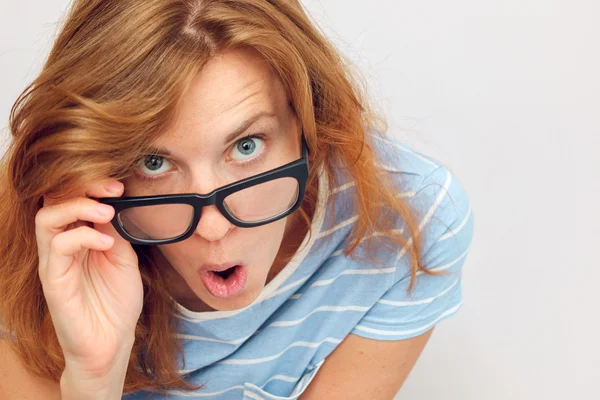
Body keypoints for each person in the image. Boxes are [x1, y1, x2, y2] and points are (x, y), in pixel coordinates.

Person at [0, 0, 475, 399]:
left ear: (308, 119)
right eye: (153, 163)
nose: (212, 227)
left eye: (246, 146)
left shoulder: (407, 221)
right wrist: (93, 381)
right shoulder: (43, 240)